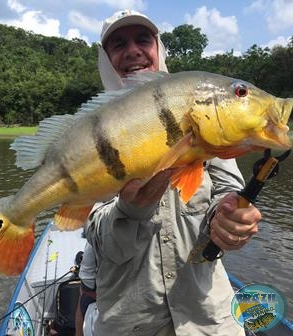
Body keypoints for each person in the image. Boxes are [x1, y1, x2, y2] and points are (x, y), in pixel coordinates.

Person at [85, 9, 261, 336]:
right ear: (106, 59)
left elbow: (228, 196)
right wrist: (131, 210)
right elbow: (107, 246)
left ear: (158, 48)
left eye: (143, 39)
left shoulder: (204, 114)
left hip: (210, 323)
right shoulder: (93, 135)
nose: (133, 50)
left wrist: (232, 220)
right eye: (118, 44)